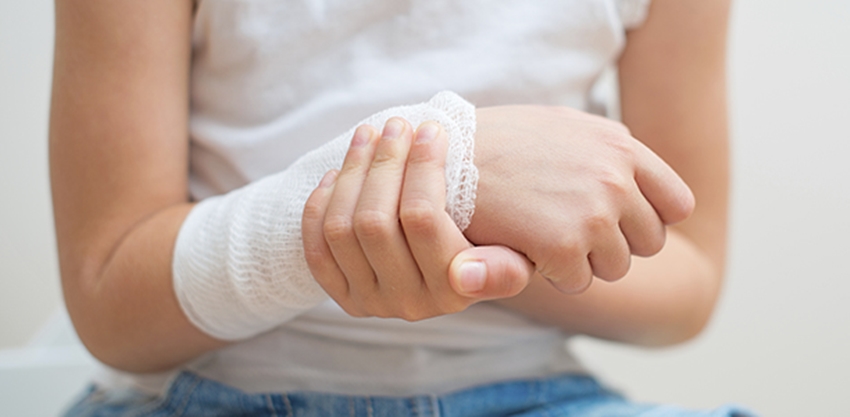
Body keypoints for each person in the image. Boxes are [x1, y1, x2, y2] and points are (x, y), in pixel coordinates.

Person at [51, 0, 752, 415]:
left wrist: (472, 215)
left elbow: (686, 280)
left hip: (533, 396)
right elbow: (109, 292)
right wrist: (457, 174)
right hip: (208, 393)